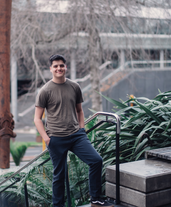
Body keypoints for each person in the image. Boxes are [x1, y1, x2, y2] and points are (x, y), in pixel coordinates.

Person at [34, 54, 113, 207]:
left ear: (66, 67)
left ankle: (95, 199)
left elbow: (80, 111)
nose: (59, 68)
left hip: (77, 136)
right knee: (59, 175)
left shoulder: (74, 86)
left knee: (96, 161)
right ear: (51, 69)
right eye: (55, 66)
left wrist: (82, 129)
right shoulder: (45, 91)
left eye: (61, 65)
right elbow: (37, 118)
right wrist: (46, 138)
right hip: (56, 138)